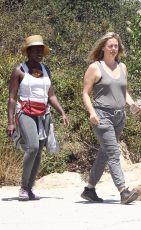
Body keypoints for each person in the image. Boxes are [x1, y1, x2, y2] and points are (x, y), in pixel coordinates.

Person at [81, 32, 141, 204]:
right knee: (114, 153)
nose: (114, 49)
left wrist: (132, 105)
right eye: (110, 45)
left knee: (105, 153)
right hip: (102, 116)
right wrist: (92, 112)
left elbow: (124, 92)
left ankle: (89, 189)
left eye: (116, 46)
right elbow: (85, 93)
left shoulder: (122, 67)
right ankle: (123, 191)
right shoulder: (95, 67)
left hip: (119, 116)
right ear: (103, 47)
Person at [6, 35, 69, 201]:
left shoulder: (46, 70)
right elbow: (12, 98)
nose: (38, 52)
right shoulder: (19, 71)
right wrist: (11, 122)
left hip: (44, 114)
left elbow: (51, 95)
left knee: (39, 152)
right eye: (34, 49)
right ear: (28, 52)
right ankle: (23, 187)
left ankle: (30, 188)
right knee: (32, 147)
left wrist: (62, 112)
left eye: (40, 49)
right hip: (25, 112)